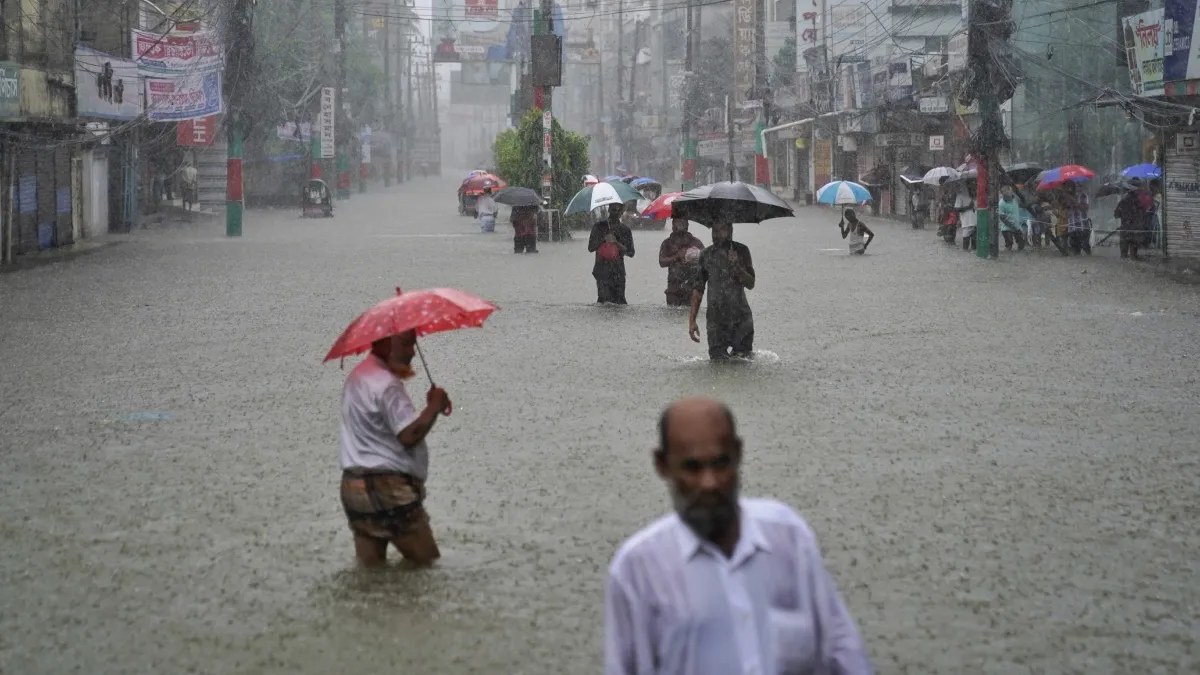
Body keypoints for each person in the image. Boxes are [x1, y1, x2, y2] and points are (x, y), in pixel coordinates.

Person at [605, 397, 873, 675]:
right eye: (692, 468)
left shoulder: (789, 539)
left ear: (739, 454)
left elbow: (841, 648)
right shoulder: (637, 571)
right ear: (662, 465)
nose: (709, 483)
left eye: (720, 464)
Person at [338, 331, 452, 568]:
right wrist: (434, 406)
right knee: (427, 566)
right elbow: (409, 435)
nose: (412, 351)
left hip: (354, 487)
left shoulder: (357, 377)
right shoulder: (387, 384)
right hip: (388, 489)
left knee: (370, 575)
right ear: (386, 342)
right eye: (407, 343)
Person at [689, 217, 755, 360]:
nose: (716, 235)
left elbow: (751, 283)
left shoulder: (742, 251)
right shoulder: (706, 255)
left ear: (730, 231)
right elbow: (698, 289)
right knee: (718, 364)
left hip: (741, 319)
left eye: (721, 230)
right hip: (716, 320)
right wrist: (692, 320)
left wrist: (737, 266)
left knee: (743, 363)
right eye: (714, 230)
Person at [588, 204, 635, 304]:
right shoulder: (598, 227)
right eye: (613, 209)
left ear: (622, 212)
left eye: (618, 211)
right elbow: (591, 248)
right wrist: (603, 239)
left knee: (620, 303)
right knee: (604, 302)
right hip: (602, 271)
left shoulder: (625, 230)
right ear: (609, 209)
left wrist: (616, 243)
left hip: (618, 272)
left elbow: (631, 252)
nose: (616, 213)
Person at [658, 217, 705, 307]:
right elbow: (661, 262)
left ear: (687, 225)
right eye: (677, 222)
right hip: (673, 289)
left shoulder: (695, 242)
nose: (680, 224)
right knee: (672, 316)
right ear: (672, 225)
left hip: (691, 288)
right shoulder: (667, 243)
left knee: (689, 315)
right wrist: (677, 257)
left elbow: (706, 261)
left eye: (683, 222)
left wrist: (692, 259)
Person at [1114, 181, 1153, 260]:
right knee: (1133, 257)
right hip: (1135, 231)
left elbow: (1116, 215)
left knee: (1123, 257)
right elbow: (1144, 215)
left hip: (1125, 230)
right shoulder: (1140, 202)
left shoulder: (1123, 201)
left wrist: (1124, 215)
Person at [997, 185, 1027, 251]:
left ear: (1011, 190)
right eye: (1004, 191)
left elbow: (1023, 204)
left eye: (1008, 190)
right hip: (1007, 228)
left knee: (1021, 245)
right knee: (1009, 245)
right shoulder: (1001, 203)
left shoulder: (1016, 199)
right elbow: (1002, 218)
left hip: (1017, 226)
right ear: (1002, 193)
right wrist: (1012, 226)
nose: (1007, 192)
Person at [1065, 183, 1092, 255]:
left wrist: (1075, 201)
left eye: (1078, 186)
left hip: (1082, 226)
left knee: (1086, 247)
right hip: (1072, 225)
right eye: (1071, 186)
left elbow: (1085, 209)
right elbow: (1065, 209)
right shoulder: (1067, 196)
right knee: (1075, 249)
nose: (1076, 188)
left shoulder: (1083, 195)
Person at [955, 182, 977, 251]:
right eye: (970, 187)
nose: (973, 189)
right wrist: (968, 207)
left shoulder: (978, 195)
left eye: (974, 187)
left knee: (975, 247)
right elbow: (957, 209)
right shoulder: (960, 195)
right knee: (965, 246)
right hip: (967, 223)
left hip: (977, 223)